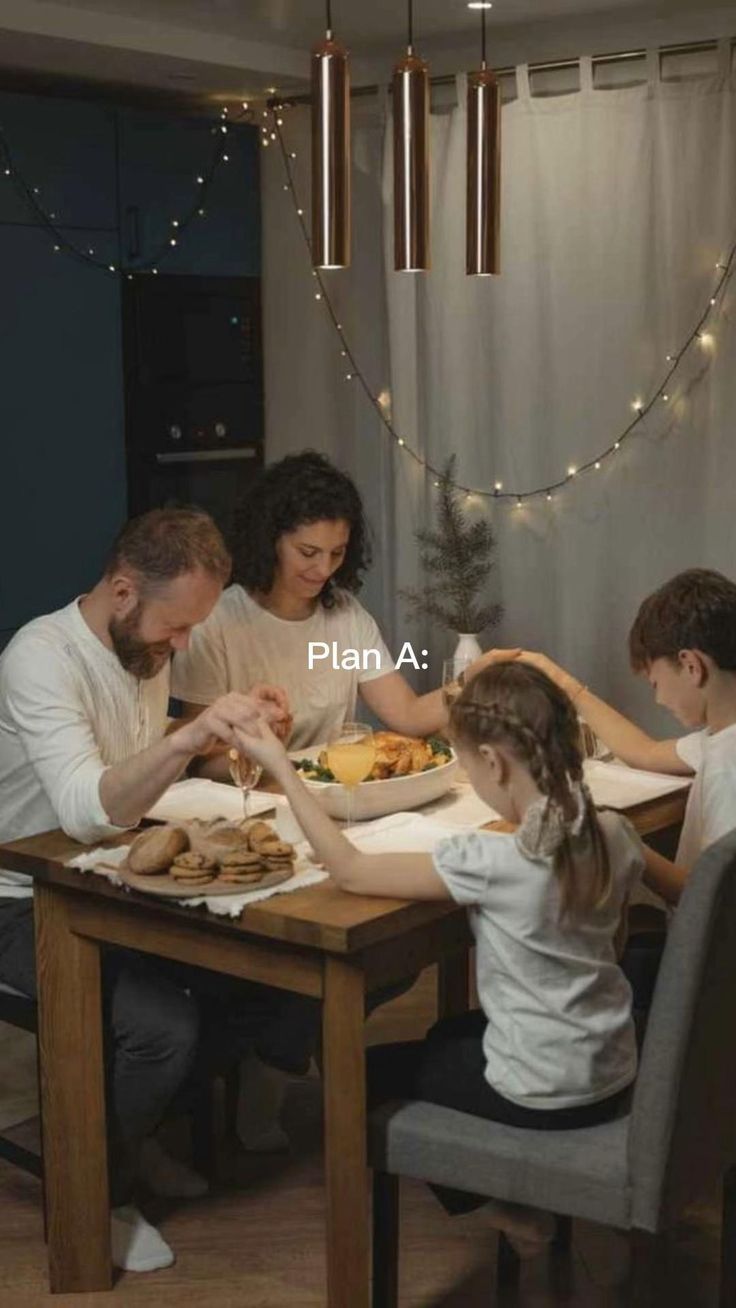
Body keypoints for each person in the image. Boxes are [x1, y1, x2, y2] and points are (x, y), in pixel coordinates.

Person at [231, 661, 644, 1255]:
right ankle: (518, 1193)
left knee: (369, 1072)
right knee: (450, 1032)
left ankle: (496, 1203)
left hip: (541, 1093)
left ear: (494, 763)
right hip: (611, 1067)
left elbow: (349, 871)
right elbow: (617, 946)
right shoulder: (613, 834)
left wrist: (280, 766)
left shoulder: (496, 861)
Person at [0, 507, 305, 1273]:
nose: (184, 645)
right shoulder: (40, 656)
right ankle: (98, 1190)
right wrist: (190, 736)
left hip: (106, 882)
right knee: (163, 1026)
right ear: (124, 590)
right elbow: (85, 809)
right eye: (176, 628)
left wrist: (231, 732)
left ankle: (142, 1128)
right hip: (18, 895)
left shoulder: (144, 651)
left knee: (272, 979)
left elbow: (148, 770)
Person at [171, 451, 491, 762]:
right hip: (253, 798)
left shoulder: (346, 616)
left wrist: (476, 678)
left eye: (336, 553)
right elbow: (200, 762)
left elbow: (407, 714)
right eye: (308, 552)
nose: (324, 570)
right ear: (269, 541)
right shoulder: (217, 621)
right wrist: (261, 750)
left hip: (333, 796)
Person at [496, 569, 736, 904]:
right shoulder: (720, 738)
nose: (659, 700)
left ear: (692, 666)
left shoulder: (727, 770)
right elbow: (645, 752)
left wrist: (622, 841)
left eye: (655, 684)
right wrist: (563, 684)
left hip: (697, 953)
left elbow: (708, 899)